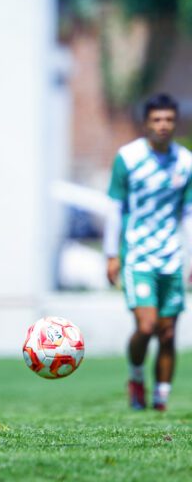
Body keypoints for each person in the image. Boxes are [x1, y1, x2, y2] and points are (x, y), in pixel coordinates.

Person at [104, 93, 192, 411]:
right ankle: (136, 376)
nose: (163, 125)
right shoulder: (127, 158)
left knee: (168, 333)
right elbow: (115, 206)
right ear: (146, 123)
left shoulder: (186, 162)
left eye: (169, 119)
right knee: (146, 326)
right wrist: (111, 253)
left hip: (172, 256)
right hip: (138, 255)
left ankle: (161, 400)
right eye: (157, 120)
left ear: (175, 122)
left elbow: (188, 213)